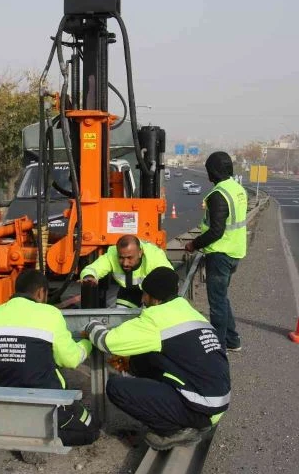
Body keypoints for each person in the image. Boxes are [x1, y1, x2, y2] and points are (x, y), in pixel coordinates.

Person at [84, 267, 230, 451]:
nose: (143, 300)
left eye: (145, 295)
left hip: (201, 408)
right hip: (217, 402)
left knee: (116, 387)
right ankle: (183, 418)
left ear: (156, 298)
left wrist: (91, 324)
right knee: (151, 354)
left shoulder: (156, 319)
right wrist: (132, 364)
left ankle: (175, 431)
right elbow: (162, 357)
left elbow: (107, 342)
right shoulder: (190, 313)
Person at [0, 269, 99, 446]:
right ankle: (39, 437)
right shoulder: (49, 313)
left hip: (7, 401)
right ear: (41, 292)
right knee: (92, 429)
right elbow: (71, 359)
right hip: (49, 402)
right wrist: (88, 343)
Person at [185, 151, 247, 352]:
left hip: (220, 254)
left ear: (213, 171)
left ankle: (218, 348)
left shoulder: (218, 194)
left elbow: (216, 231)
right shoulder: (237, 189)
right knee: (222, 297)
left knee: (217, 303)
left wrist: (194, 244)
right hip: (235, 251)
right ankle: (232, 340)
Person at [80, 235, 173, 308]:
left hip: (153, 294)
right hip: (129, 292)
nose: (125, 263)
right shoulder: (112, 254)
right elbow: (93, 269)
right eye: (121, 258)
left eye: (129, 258)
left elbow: (169, 279)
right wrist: (89, 276)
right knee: (120, 317)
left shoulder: (154, 256)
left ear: (140, 253)